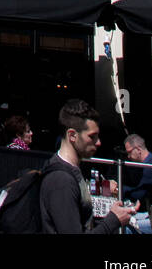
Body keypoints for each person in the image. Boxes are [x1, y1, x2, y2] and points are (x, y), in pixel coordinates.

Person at [40, 99, 137, 235]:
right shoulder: (61, 180)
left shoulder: (70, 170)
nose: (98, 142)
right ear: (72, 135)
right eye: (92, 137)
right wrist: (113, 220)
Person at [123, 133, 152, 234]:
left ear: (138, 150)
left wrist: (118, 188)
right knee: (123, 219)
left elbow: (137, 194)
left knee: (124, 228)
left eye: (129, 152)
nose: (128, 156)